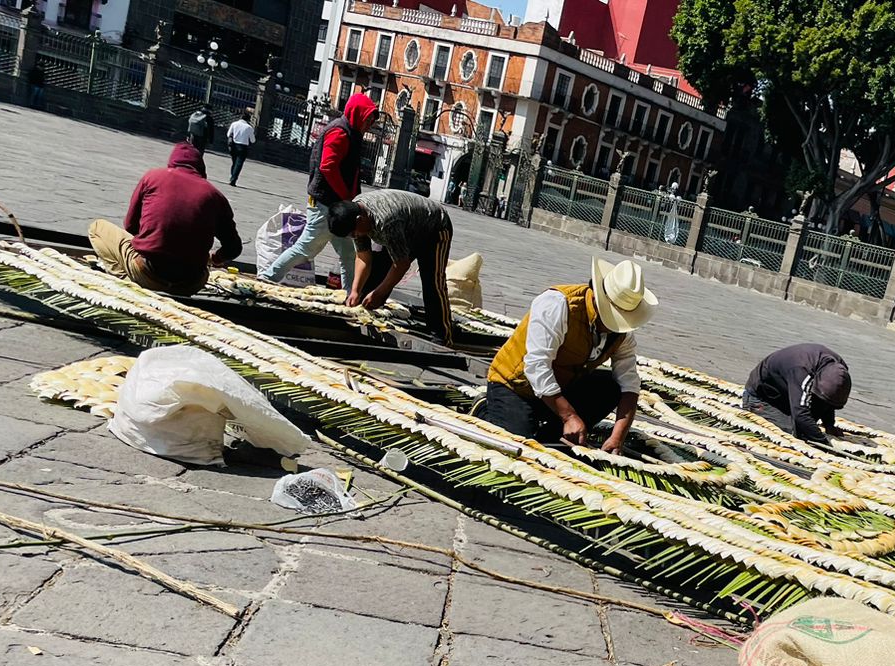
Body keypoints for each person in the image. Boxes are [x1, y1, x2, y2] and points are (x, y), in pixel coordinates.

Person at [482, 257, 657, 451]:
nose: (613, 327)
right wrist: (569, 416)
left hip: (559, 389)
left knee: (609, 388)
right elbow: (536, 366)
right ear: (597, 300)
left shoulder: (622, 335)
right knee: (521, 447)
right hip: (516, 387)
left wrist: (617, 437)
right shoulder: (558, 305)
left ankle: (556, 434)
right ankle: (488, 411)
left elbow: (629, 385)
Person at [87, 142, 242, 296]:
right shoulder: (216, 196)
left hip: (147, 273)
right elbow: (234, 248)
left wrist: (153, 239)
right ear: (201, 168)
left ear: (172, 163)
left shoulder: (153, 177)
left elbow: (130, 225)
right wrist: (215, 258)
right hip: (191, 283)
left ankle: (126, 277)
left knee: (97, 227)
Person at [257, 92, 377, 289]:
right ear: (358, 114)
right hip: (327, 204)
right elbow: (328, 166)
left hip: (338, 205)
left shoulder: (350, 133)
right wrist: (347, 198)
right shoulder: (340, 132)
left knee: (348, 254)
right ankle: (267, 277)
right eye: (368, 119)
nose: (369, 125)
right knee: (306, 248)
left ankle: (350, 296)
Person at [326, 189, 455, 345]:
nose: (355, 237)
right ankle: (367, 318)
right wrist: (355, 290)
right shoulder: (356, 215)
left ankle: (442, 335)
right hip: (404, 228)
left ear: (360, 220)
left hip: (433, 229)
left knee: (432, 282)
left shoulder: (386, 221)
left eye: (353, 233)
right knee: (377, 270)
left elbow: (401, 264)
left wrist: (380, 292)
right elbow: (363, 257)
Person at [742, 344, 852, 445]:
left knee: (807, 425)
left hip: (786, 392)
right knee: (795, 434)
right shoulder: (802, 371)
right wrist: (823, 443)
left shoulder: (839, 368)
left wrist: (829, 425)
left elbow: (828, 400)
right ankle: (753, 408)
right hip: (763, 397)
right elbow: (800, 413)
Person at [225, 108, 256, 186]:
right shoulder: (249, 128)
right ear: (248, 120)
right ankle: (233, 179)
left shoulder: (234, 124)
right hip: (243, 147)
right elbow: (253, 140)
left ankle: (232, 176)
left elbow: (228, 134)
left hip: (233, 145)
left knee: (234, 162)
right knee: (239, 164)